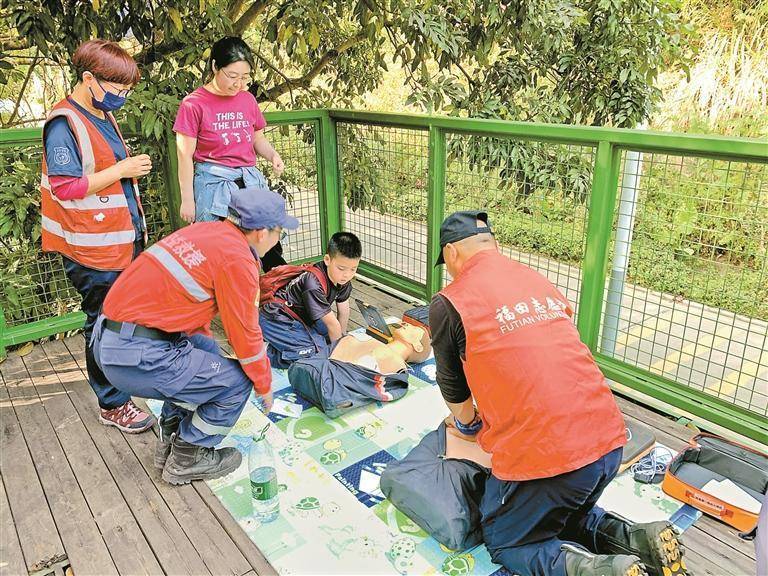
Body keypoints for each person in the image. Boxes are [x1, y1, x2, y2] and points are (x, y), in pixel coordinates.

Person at [429, 211, 689, 576]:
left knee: (508, 539)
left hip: (550, 458)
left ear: (452, 252)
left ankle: (599, 571)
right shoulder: (534, 278)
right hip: (609, 442)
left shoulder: (450, 301)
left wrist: (468, 424)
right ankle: (634, 538)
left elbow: (453, 386)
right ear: (494, 245)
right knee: (563, 514)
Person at [91, 188, 298, 485]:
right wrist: (263, 383)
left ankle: (171, 439)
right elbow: (245, 332)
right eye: (280, 232)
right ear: (263, 233)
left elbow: (191, 307)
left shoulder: (206, 232)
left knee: (209, 358)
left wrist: (210, 355)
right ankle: (189, 456)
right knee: (238, 382)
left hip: (112, 341)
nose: (279, 239)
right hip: (138, 354)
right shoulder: (238, 259)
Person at [40, 39, 154, 433]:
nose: (122, 98)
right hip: (91, 248)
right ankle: (112, 403)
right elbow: (66, 186)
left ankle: (126, 379)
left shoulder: (101, 112)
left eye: (127, 91)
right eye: (118, 90)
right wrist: (123, 169)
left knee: (123, 316)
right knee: (102, 321)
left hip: (119, 237)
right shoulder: (63, 123)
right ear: (89, 79)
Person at [173, 36, 286, 271]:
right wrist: (187, 200)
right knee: (220, 252)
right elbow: (184, 155)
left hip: (249, 181)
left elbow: (257, 138)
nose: (239, 84)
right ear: (215, 67)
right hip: (214, 185)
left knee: (267, 245)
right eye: (232, 76)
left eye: (245, 78)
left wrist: (272, 155)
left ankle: (277, 296)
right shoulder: (193, 104)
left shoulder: (248, 100)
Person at [259, 231, 362, 369]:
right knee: (314, 352)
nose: (347, 275)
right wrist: (340, 357)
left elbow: (343, 311)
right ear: (327, 260)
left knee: (328, 342)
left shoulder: (343, 279)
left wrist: (341, 342)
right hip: (276, 318)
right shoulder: (312, 283)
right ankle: (264, 351)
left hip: (302, 318)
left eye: (353, 269)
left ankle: (285, 343)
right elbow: (333, 325)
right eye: (341, 268)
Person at [288, 322, 431, 418]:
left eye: (415, 330)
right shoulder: (371, 343)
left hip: (310, 374)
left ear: (418, 347)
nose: (406, 324)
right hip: (317, 374)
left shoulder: (394, 364)